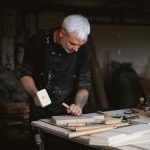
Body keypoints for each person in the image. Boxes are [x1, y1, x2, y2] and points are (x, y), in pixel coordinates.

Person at [19, 14, 91, 125]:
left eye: (80, 45)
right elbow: (25, 74)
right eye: (72, 43)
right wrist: (35, 94)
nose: (76, 49)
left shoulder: (82, 49)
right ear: (62, 33)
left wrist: (78, 106)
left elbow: (84, 83)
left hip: (69, 112)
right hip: (40, 109)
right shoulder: (39, 41)